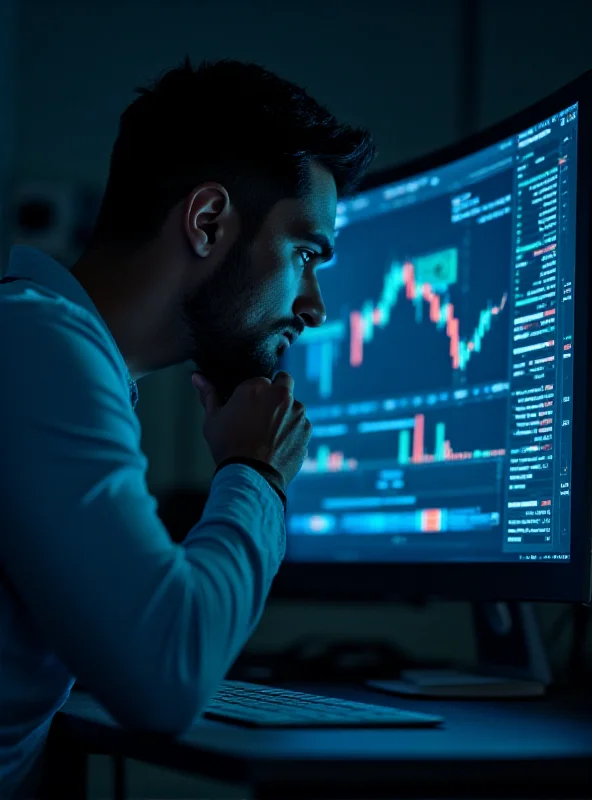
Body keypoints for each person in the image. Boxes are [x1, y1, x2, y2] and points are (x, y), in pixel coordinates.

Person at [0, 56, 375, 797]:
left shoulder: (48, 347)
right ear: (207, 222)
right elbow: (164, 679)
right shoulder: (41, 350)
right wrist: (256, 475)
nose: (314, 306)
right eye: (305, 253)